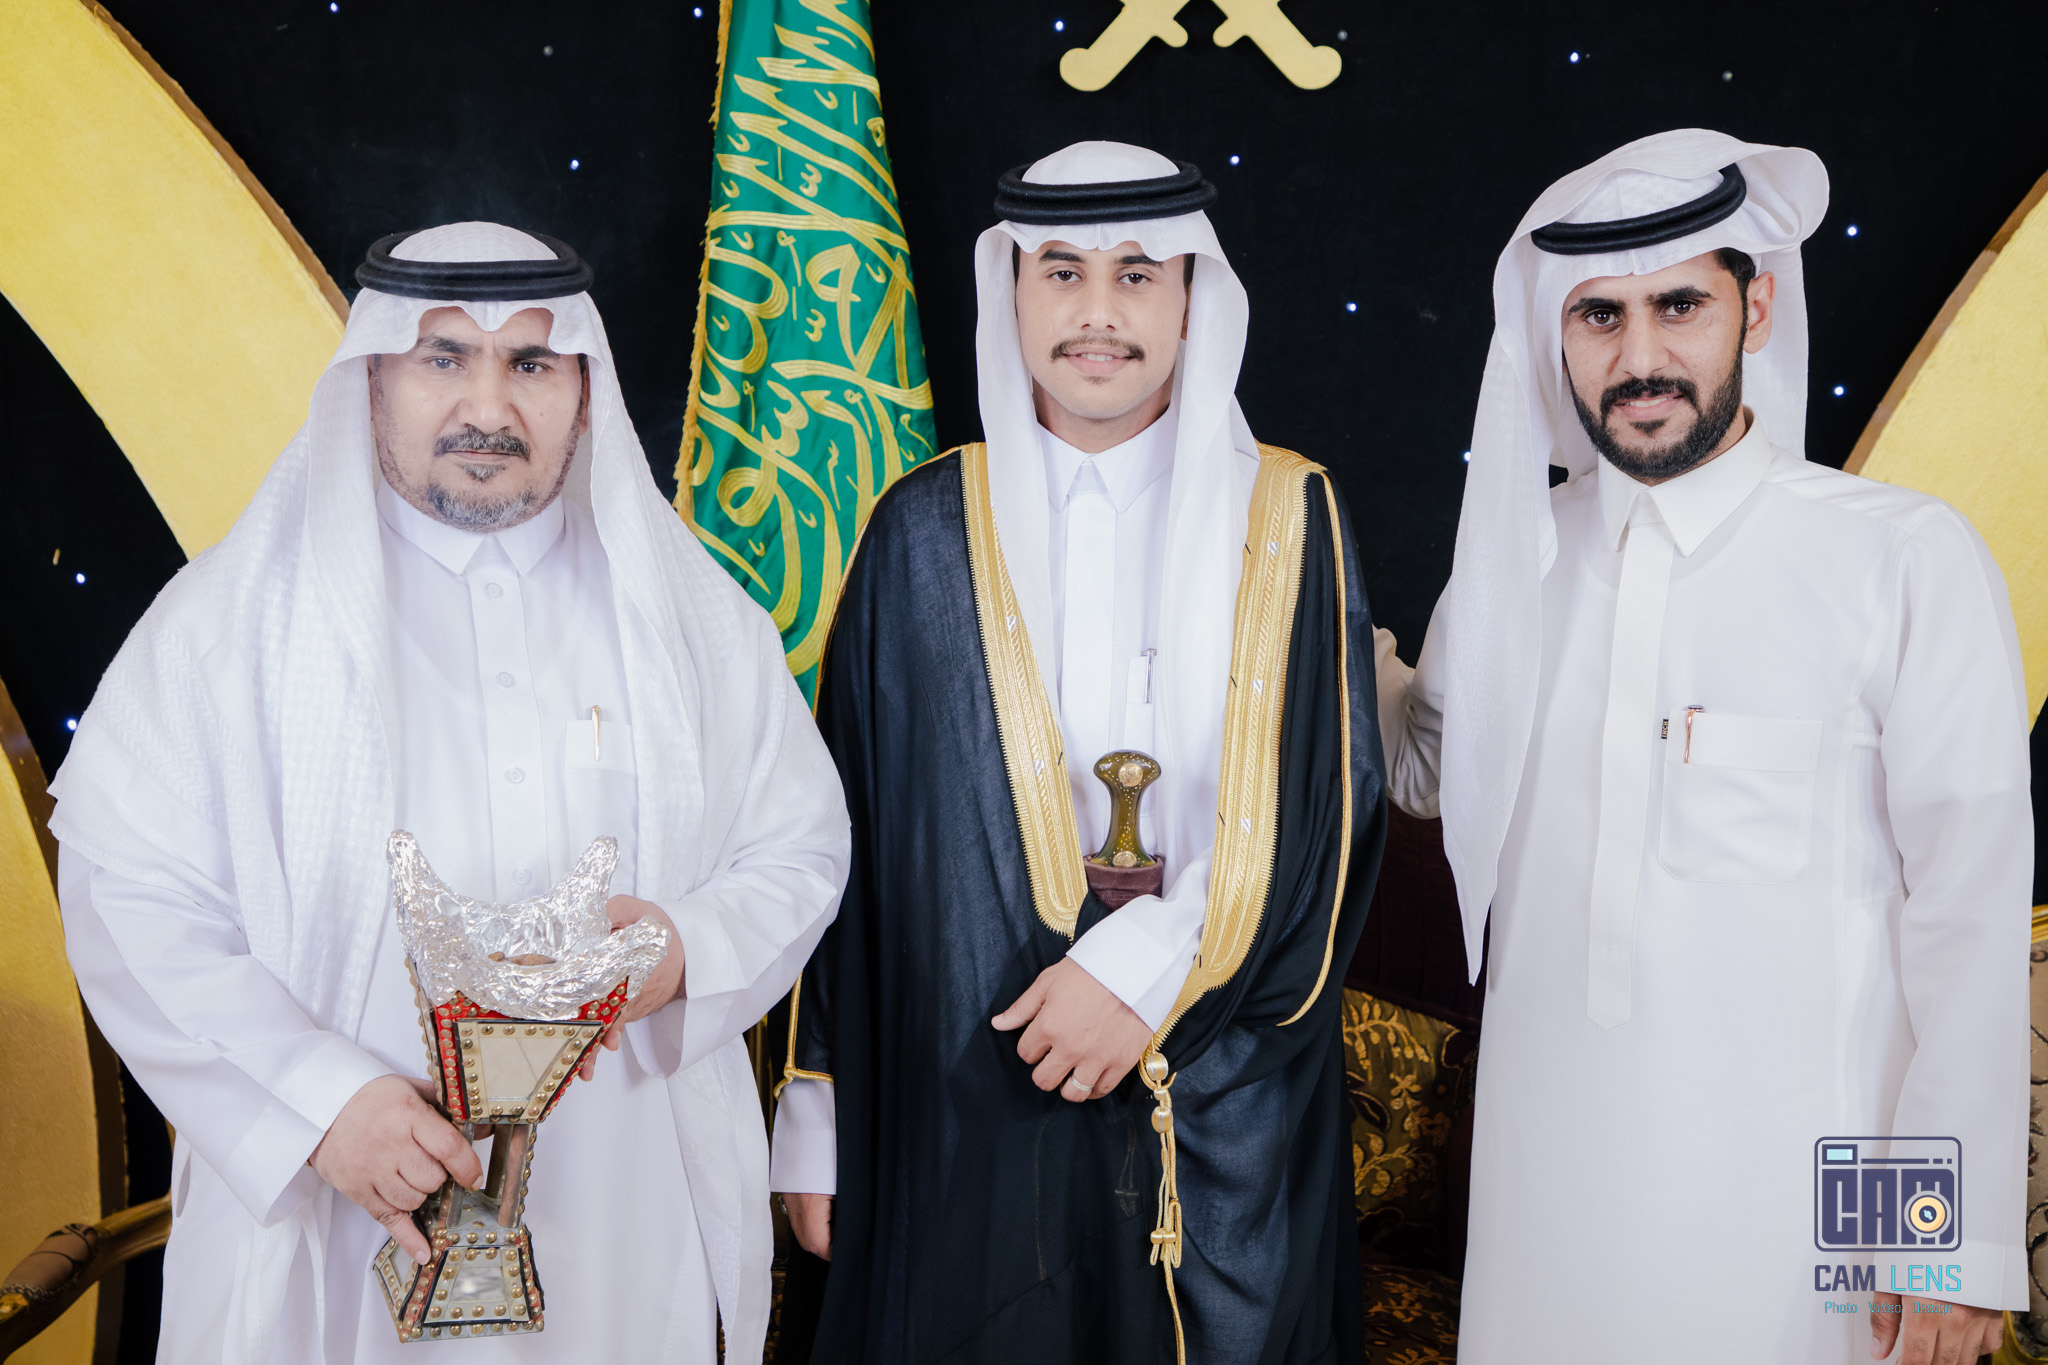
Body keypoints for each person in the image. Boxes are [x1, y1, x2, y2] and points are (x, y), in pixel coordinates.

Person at [51, 222, 850, 1364]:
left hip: (624, 1238)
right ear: (373, 376)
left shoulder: (687, 619)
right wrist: (323, 1105)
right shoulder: (233, 624)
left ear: (584, 387)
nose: (488, 406)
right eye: (443, 358)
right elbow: (130, 899)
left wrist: (684, 949)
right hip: (335, 1225)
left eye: (530, 362)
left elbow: (799, 845)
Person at [1374, 130, 2029, 1362]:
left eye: (1678, 305)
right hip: (1544, 1208)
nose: (1638, 358)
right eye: (1597, 315)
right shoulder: (1511, 566)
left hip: (1809, 1238)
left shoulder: (1897, 556)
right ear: (1551, 339)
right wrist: (1315, 624)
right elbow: (1425, 769)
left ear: (1754, 308)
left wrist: (1934, 1245)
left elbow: (1964, 918)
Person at [768, 141, 1385, 1363]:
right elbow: (844, 844)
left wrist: (1139, 972)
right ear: (1011, 294)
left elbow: (1327, 810)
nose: (1098, 312)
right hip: (966, 1088)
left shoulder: (1287, 512)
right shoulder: (918, 526)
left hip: (1224, 1095)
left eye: (1137, 275)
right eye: (1061, 272)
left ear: (1191, 300)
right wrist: (818, 1121)